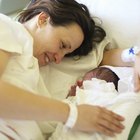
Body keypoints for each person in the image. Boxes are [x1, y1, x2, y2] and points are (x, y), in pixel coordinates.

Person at [0, 0, 140, 139]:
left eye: (66, 54)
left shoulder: (33, 63)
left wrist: (135, 55)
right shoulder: (7, 27)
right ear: (43, 19)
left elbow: (102, 57)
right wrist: (72, 114)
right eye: (62, 45)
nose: (59, 59)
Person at [49, 66, 140, 140]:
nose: (80, 82)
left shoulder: (86, 91)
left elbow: (66, 108)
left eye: (84, 78)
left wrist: (72, 96)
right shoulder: (114, 95)